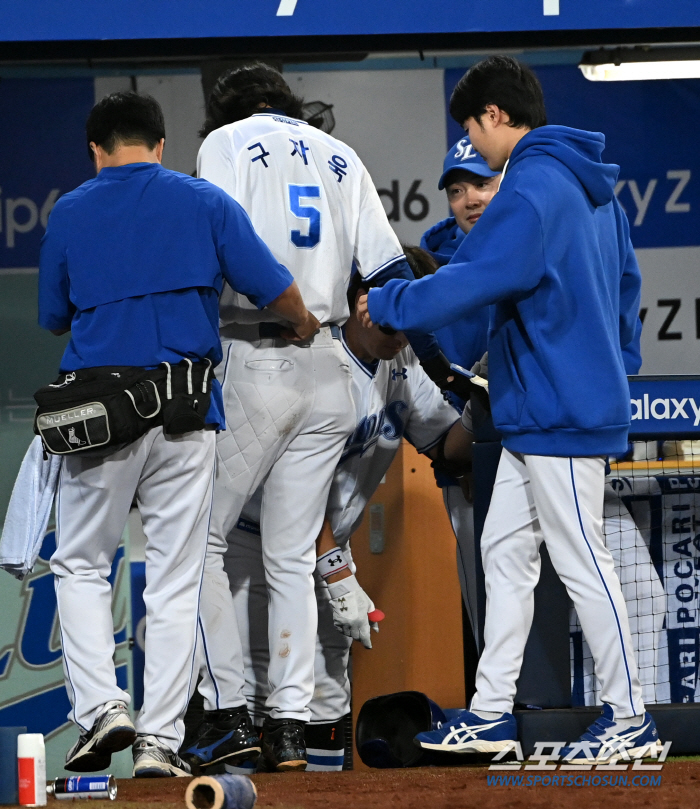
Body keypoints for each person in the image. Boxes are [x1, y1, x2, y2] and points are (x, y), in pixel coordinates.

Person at [358, 56, 658, 763]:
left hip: (558, 407)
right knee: (505, 555)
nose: (473, 142)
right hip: (544, 405)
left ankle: (630, 714)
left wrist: (395, 302)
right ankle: (492, 710)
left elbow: (479, 274)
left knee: (584, 560)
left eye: (471, 125)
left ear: (495, 115)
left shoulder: (532, 183)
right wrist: (613, 367)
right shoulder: (592, 189)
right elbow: (626, 288)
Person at [40, 92, 315, 778]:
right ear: (160, 145)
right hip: (186, 410)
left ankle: (104, 707)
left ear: (96, 150)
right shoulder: (203, 201)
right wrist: (305, 321)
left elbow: (51, 315)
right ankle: (161, 740)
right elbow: (273, 287)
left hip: (102, 409)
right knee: (175, 574)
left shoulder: (70, 210)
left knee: (79, 564)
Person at [191, 63, 429, 771]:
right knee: (291, 556)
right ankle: (291, 726)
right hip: (328, 365)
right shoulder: (343, 155)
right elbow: (391, 276)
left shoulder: (227, 142)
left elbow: (213, 251)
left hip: (253, 350)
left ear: (227, 107)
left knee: (197, 541)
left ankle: (228, 712)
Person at [185, 271, 471, 772]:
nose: (404, 330)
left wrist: (480, 410)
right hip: (250, 549)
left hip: (319, 556)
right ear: (362, 302)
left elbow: (447, 448)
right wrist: (336, 570)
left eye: (415, 318)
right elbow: (289, 490)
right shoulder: (308, 354)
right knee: (251, 699)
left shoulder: (400, 362)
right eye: (397, 314)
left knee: (325, 699)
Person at [408, 137, 501, 638]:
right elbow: (432, 379)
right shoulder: (431, 274)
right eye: (458, 189)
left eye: (483, 183)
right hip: (471, 465)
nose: (471, 199)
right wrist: (459, 456)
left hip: (541, 450)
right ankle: (501, 713)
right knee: (489, 610)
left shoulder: (530, 250)